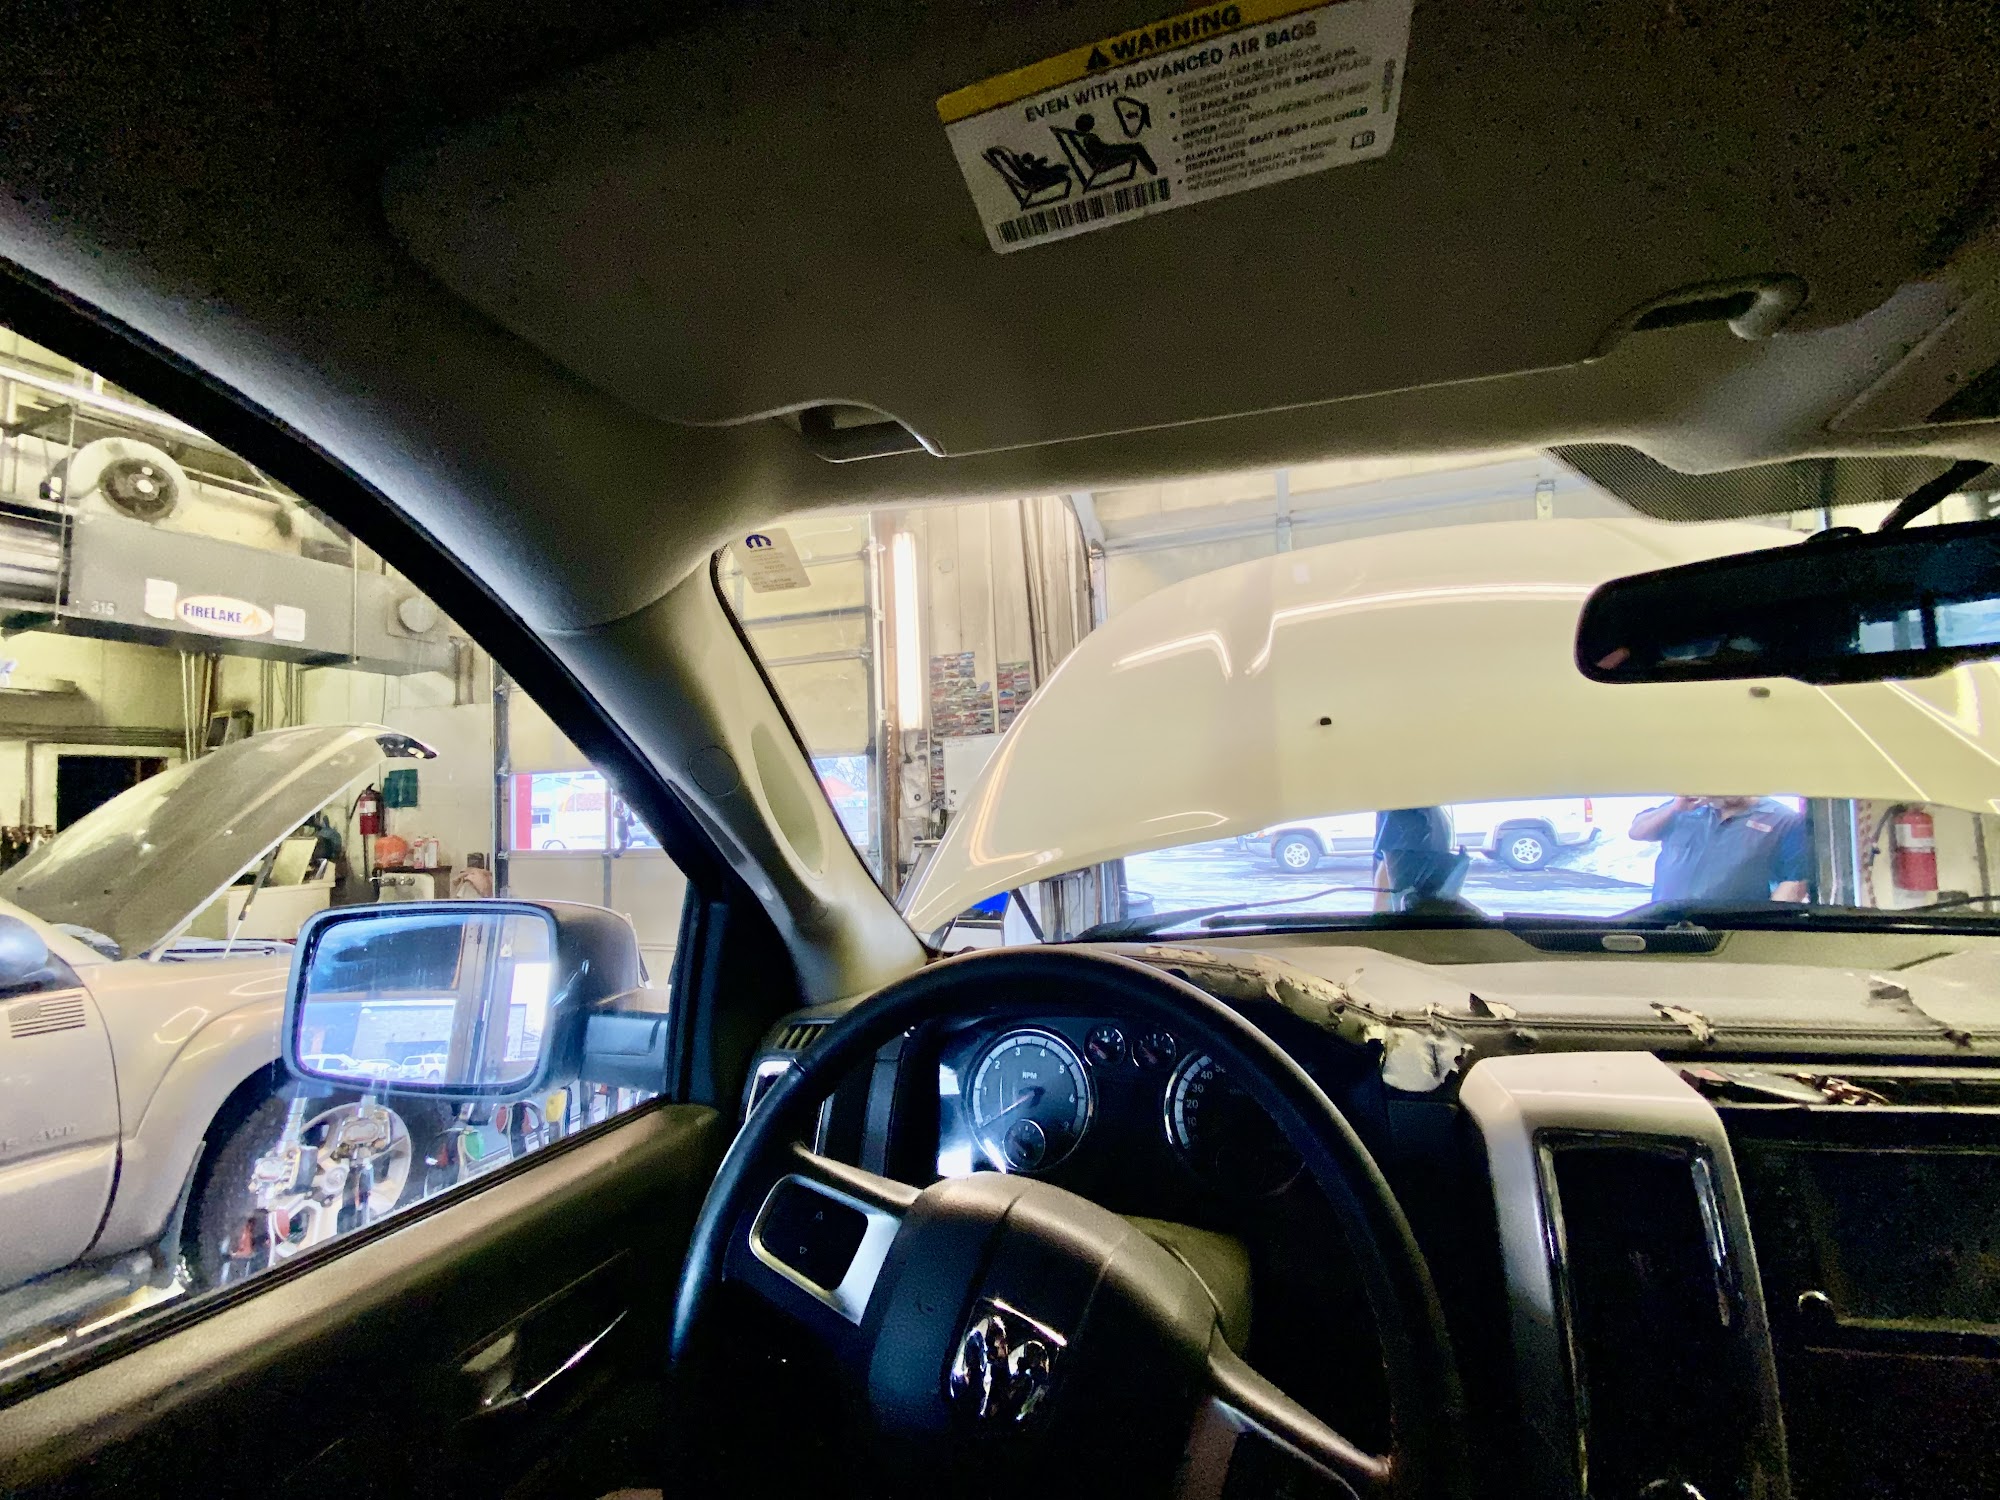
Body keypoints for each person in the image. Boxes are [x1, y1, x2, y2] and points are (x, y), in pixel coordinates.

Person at [1629, 796, 1809, 904]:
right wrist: (1674, 808)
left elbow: (1795, 881)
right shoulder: (1685, 807)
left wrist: (1768, 927)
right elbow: (1636, 832)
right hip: (1665, 923)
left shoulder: (1784, 820)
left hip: (1732, 929)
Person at [1373, 806, 1466, 912]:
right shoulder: (1435, 813)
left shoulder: (1401, 813)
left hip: (1412, 912)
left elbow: (1386, 889)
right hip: (1431, 908)